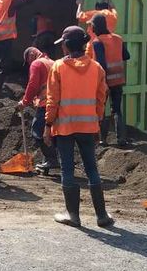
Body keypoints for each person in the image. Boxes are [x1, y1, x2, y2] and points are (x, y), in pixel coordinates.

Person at [44, 26, 114, 228]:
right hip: (88, 125)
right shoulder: (97, 68)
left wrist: (48, 124)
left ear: (66, 45)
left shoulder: (57, 67)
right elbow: (102, 98)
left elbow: (52, 100)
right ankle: (101, 215)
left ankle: (73, 215)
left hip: (64, 127)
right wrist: (97, 121)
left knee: (67, 168)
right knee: (91, 167)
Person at [90, 14, 130, 147]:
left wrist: (103, 82)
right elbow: (126, 56)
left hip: (105, 81)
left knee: (101, 109)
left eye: (92, 26)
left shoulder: (97, 42)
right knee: (117, 109)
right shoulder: (118, 39)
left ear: (95, 27)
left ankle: (102, 139)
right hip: (118, 80)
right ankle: (121, 139)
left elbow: (101, 63)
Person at [17, 47, 58, 174]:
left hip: (45, 102)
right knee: (51, 134)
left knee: (37, 131)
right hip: (57, 103)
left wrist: (24, 102)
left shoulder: (37, 63)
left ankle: (52, 159)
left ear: (31, 55)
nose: (29, 64)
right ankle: (49, 161)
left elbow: (33, 84)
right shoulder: (52, 62)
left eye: (28, 60)